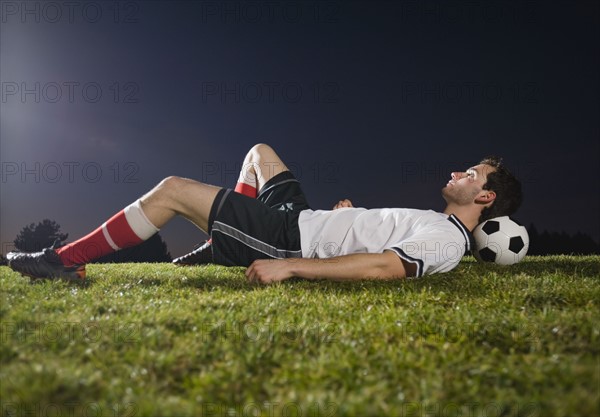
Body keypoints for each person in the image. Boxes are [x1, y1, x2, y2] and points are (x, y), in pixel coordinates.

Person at [6, 143, 522, 284]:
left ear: (485, 199)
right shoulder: (434, 221)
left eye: (472, 175)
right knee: (260, 152)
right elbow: (375, 238)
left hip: (286, 237)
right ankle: (219, 244)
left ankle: (64, 262)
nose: (460, 172)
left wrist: (290, 265)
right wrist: (350, 215)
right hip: (305, 216)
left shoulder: (449, 241)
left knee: (171, 191)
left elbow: (386, 266)